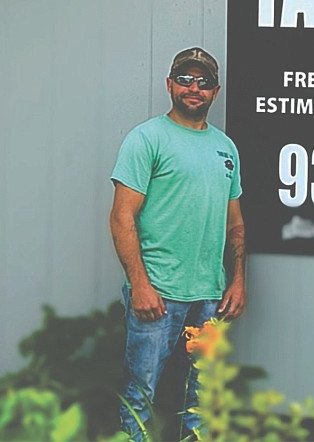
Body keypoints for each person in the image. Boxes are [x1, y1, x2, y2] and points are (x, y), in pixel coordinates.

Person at [109, 47, 246, 440]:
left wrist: (237, 280)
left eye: (203, 82)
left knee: (202, 399)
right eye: (185, 79)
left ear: (215, 92)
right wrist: (140, 284)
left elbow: (235, 224)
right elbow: (122, 216)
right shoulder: (146, 139)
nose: (193, 87)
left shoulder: (226, 148)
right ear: (169, 85)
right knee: (140, 396)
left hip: (210, 297)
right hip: (158, 294)